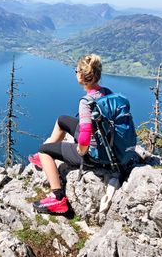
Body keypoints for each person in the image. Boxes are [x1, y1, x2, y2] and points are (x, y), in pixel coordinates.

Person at [29, 54, 112, 214]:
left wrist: (80, 151)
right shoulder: (106, 92)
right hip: (106, 144)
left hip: (94, 155)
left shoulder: (86, 102)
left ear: (81, 75)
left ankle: (57, 197)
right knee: (62, 120)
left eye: (76, 71)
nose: (75, 73)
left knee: (43, 150)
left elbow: (86, 133)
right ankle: (45, 161)